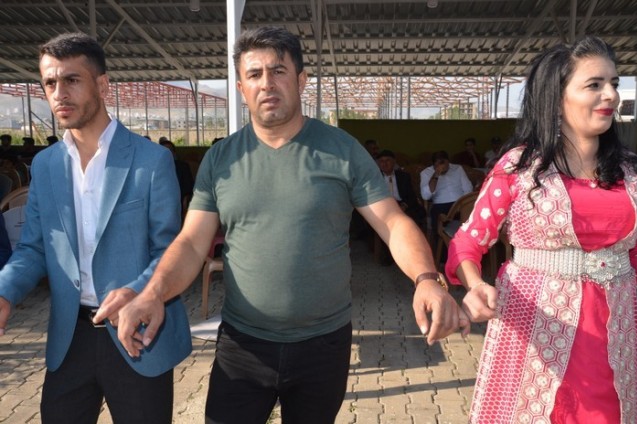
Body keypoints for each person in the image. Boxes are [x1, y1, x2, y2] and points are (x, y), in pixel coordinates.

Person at [98, 26, 470, 424]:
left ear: (301, 79)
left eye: (278, 71)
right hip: (242, 345)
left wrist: (426, 279)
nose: (266, 83)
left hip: (323, 344)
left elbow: (393, 223)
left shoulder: (342, 150)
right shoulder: (222, 159)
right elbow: (191, 243)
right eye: (254, 74)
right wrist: (153, 293)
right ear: (241, 88)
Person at [445, 35, 637, 423]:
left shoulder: (630, 172)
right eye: (594, 84)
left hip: (616, 331)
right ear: (556, 97)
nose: (611, 95)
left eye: (614, 83)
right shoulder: (519, 167)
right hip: (536, 328)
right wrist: (475, 284)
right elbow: (468, 241)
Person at [0, 32, 191, 423]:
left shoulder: (150, 160)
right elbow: (34, 248)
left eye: (72, 79)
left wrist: (137, 291)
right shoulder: (46, 165)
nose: (59, 93)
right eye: (50, 82)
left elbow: (171, 250)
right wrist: (4, 293)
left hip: (138, 335)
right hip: (70, 338)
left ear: (102, 85)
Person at [420, 150, 473, 258]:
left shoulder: (457, 169)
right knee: (439, 223)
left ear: (448, 162)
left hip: (460, 202)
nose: (443, 167)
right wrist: (436, 174)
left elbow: (468, 189)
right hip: (440, 204)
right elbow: (426, 196)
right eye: (438, 164)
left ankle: (469, 254)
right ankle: (445, 257)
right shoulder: (426, 173)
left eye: (444, 163)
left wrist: (461, 204)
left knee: (471, 222)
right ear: (434, 164)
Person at [377, 149, 425, 224]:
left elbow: (411, 195)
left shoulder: (403, 176)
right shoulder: (375, 178)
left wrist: (404, 205)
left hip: (401, 203)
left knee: (417, 212)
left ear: (394, 162)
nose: (384, 164)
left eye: (387, 160)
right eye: (381, 161)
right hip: (384, 205)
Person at [159, 138, 195, 218]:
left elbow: (188, 188)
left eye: (170, 151)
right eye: (164, 151)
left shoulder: (182, 167)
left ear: (174, 153)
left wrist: (184, 206)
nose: (167, 154)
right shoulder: (153, 169)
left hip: (177, 204)